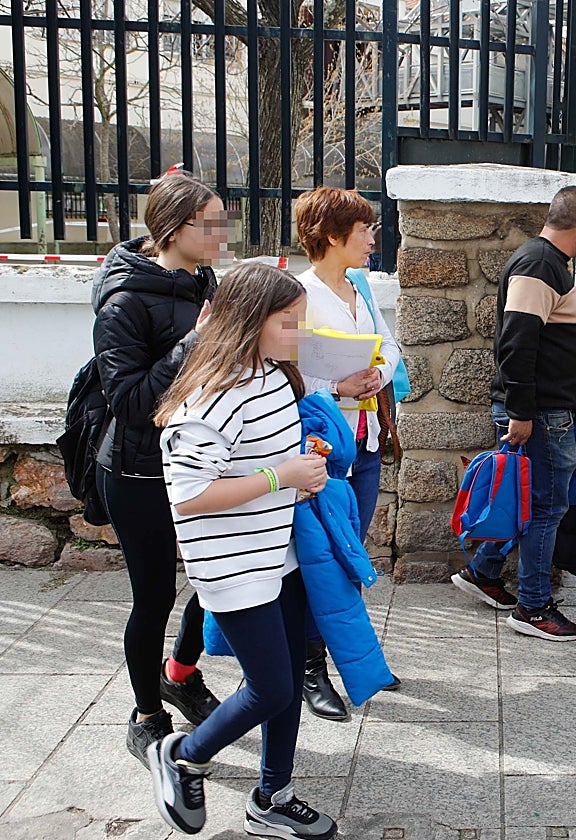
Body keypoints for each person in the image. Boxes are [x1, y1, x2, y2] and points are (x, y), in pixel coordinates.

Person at [149, 263, 337, 839]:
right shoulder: (212, 396)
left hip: (276, 553)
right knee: (272, 687)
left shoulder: (274, 375)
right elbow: (189, 497)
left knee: (285, 683)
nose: (299, 334)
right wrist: (282, 476)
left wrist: (301, 468)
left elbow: (258, 460)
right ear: (250, 321)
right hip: (232, 566)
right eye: (289, 322)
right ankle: (184, 756)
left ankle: (273, 797)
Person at [92, 172, 224, 767]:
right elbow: (131, 403)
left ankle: (181, 673)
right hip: (139, 471)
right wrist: (192, 345)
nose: (222, 233)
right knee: (153, 598)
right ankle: (146, 715)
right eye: (210, 223)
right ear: (173, 229)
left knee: (218, 578)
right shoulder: (123, 302)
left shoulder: (206, 284)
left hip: (203, 461)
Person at [450, 185, 576, 640]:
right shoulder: (539, 264)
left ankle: (483, 571)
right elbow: (517, 343)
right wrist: (520, 411)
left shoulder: (545, 261)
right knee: (547, 506)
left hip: (543, 409)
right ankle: (533, 607)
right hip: (541, 412)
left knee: (525, 500)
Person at [293, 186, 402, 720]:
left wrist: (379, 372)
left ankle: (346, 655)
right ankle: (311, 666)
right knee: (323, 559)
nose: (372, 239)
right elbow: (289, 371)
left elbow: (390, 344)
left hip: (366, 440)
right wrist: (337, 389)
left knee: (350, 552)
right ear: (333, 236)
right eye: (364, 230)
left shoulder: (360, 285)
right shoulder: (300, 293)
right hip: (325, 446)